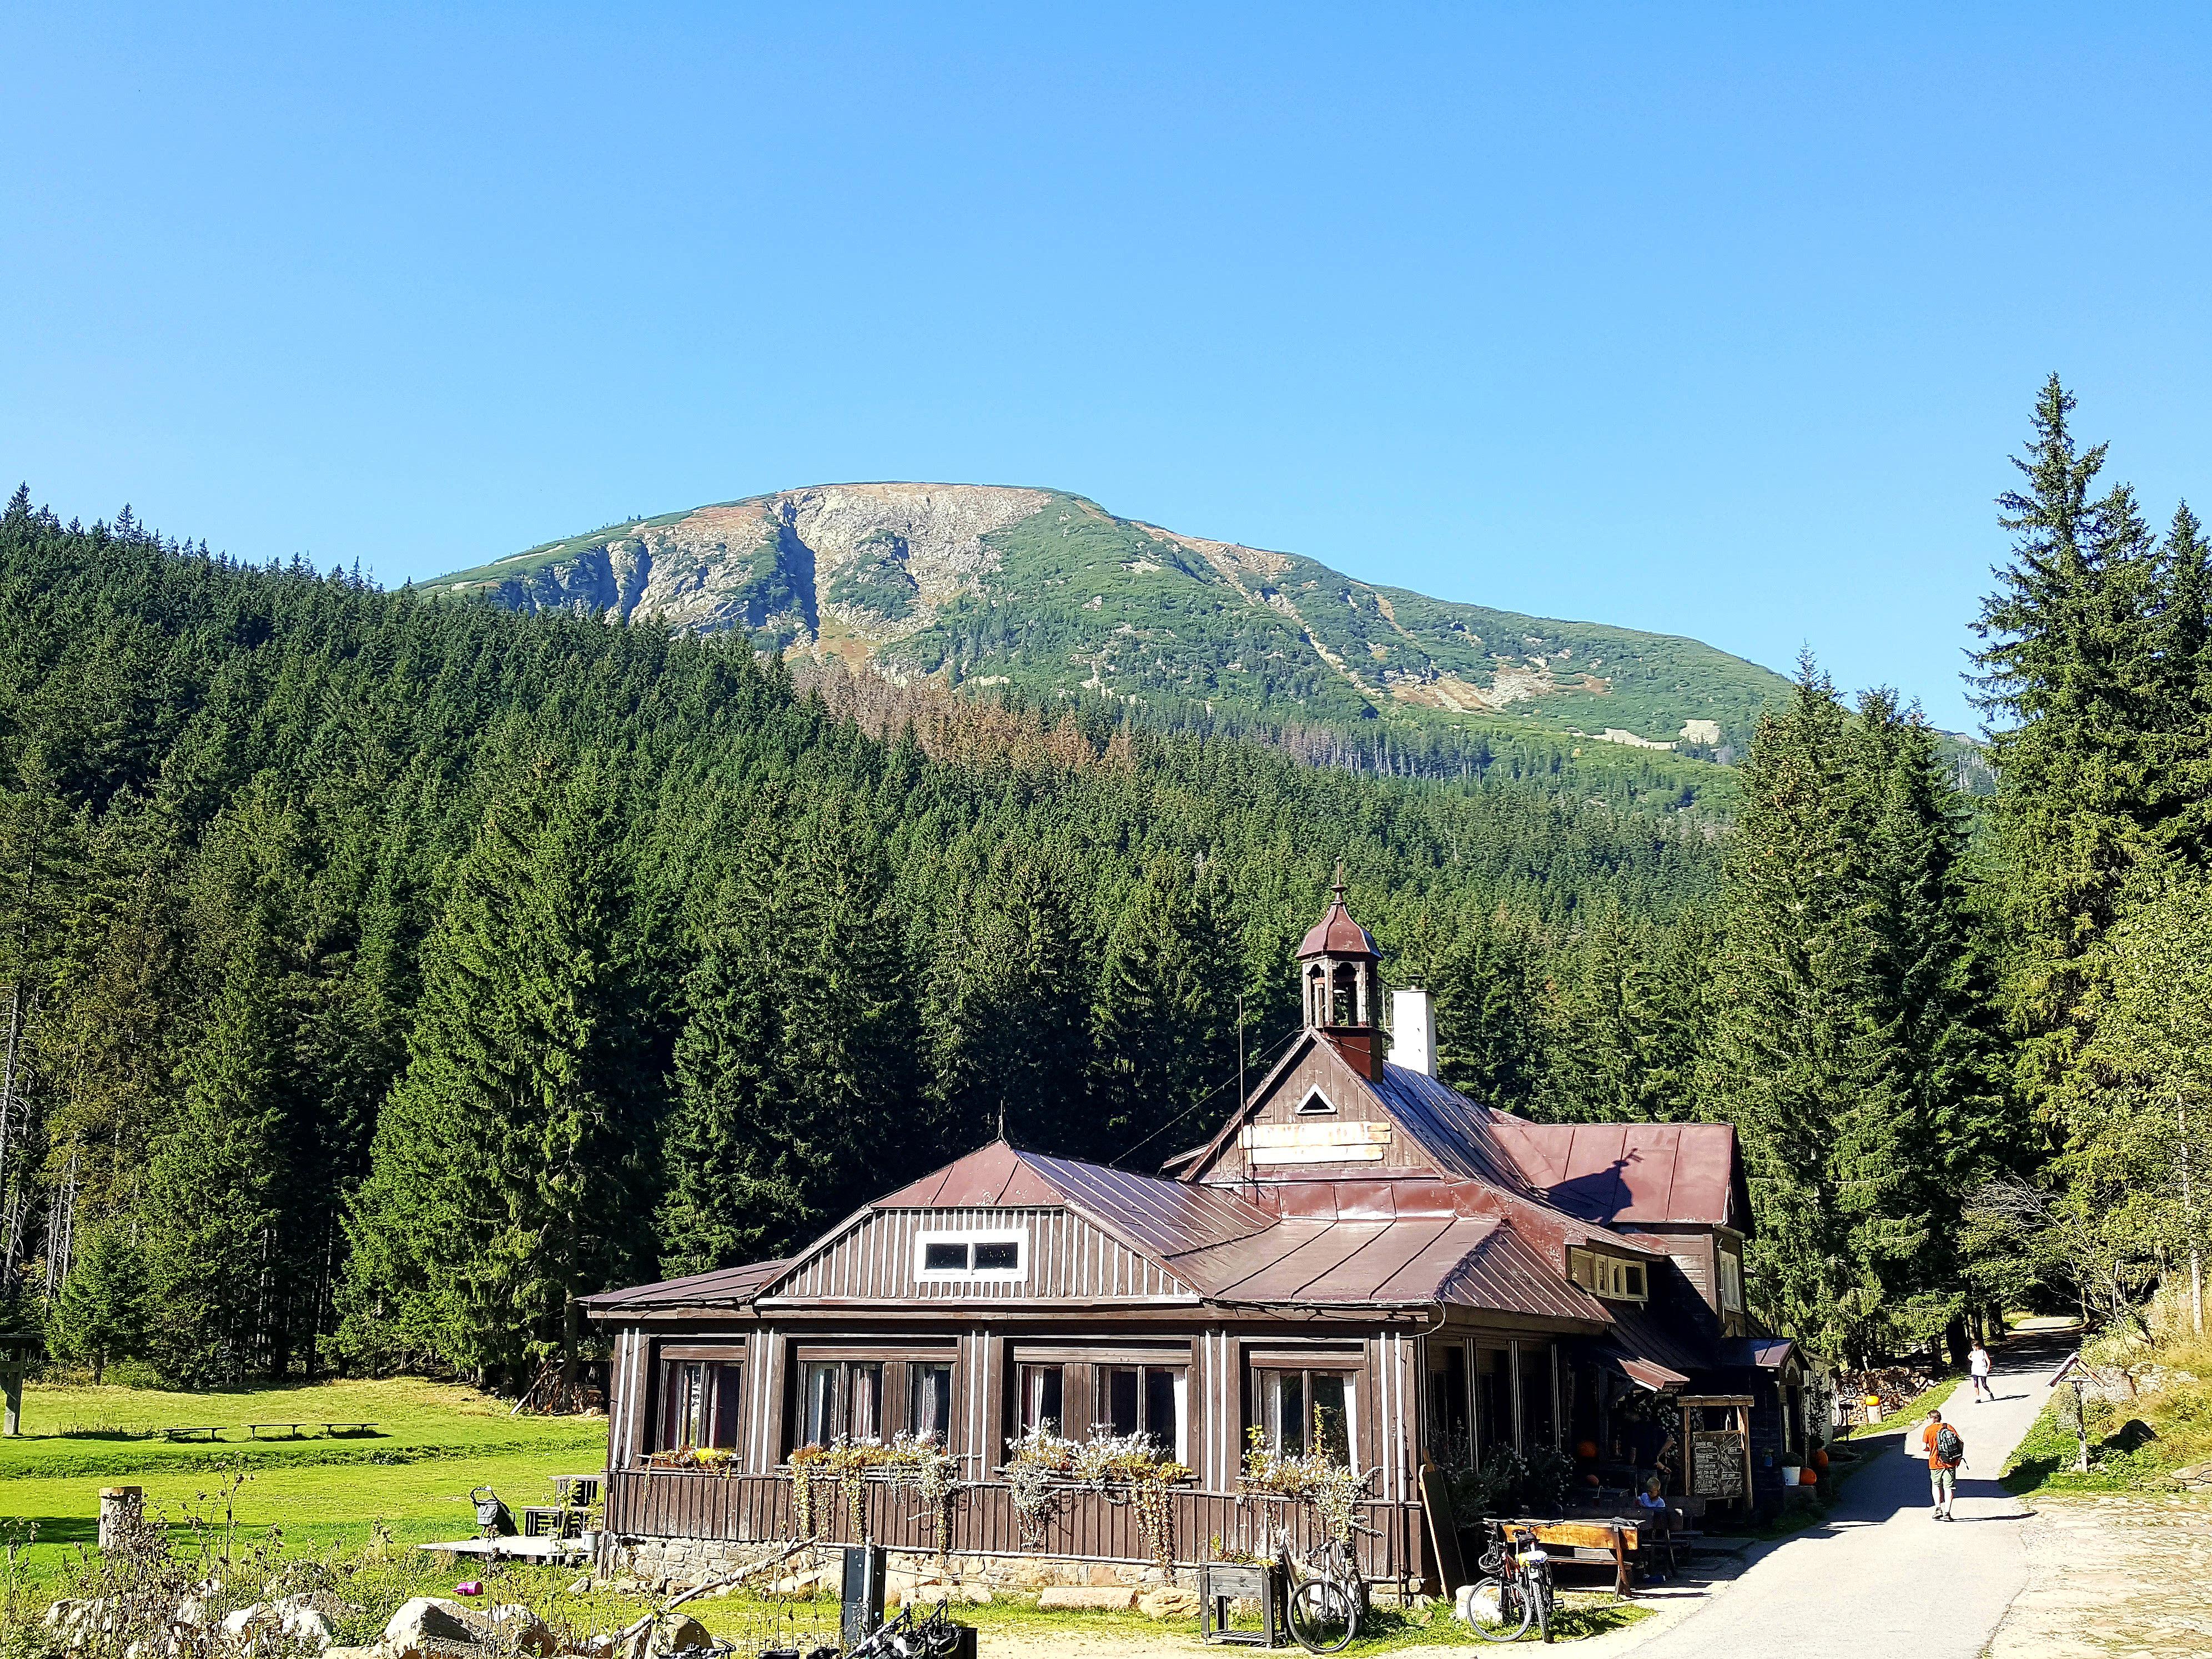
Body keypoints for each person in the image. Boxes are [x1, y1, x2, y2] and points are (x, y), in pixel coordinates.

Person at [1921, 1407, 1964, 1519]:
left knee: (1936, 1485)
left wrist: (1931, 1449)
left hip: (1935, 1462)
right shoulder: (1948, 1427)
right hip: (1950, 1462)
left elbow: (1924, 1447)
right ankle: (1947, 1513)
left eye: (1928, 1419)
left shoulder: (1928, 1430)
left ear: (1932, 1419)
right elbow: (1960, 1442)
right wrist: (1958, 1458)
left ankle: (1938, 1508)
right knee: (1949, 1487)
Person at [1969, 1339, 1995, 1403]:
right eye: (1973, 1346)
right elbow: (1969, 1357)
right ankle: (1978, 1398)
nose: (1974, 1348)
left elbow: (1988, 1361)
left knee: (1984, 1385)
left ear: (1978, 1346)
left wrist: (1988, 1367)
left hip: (1982, 1369)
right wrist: (1970, 1357)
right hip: (1975, 1370)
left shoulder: (1983, 1352)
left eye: (1975, 1346)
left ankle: (1990, 1392)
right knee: (1976, 1384)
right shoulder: (1973, 1353)